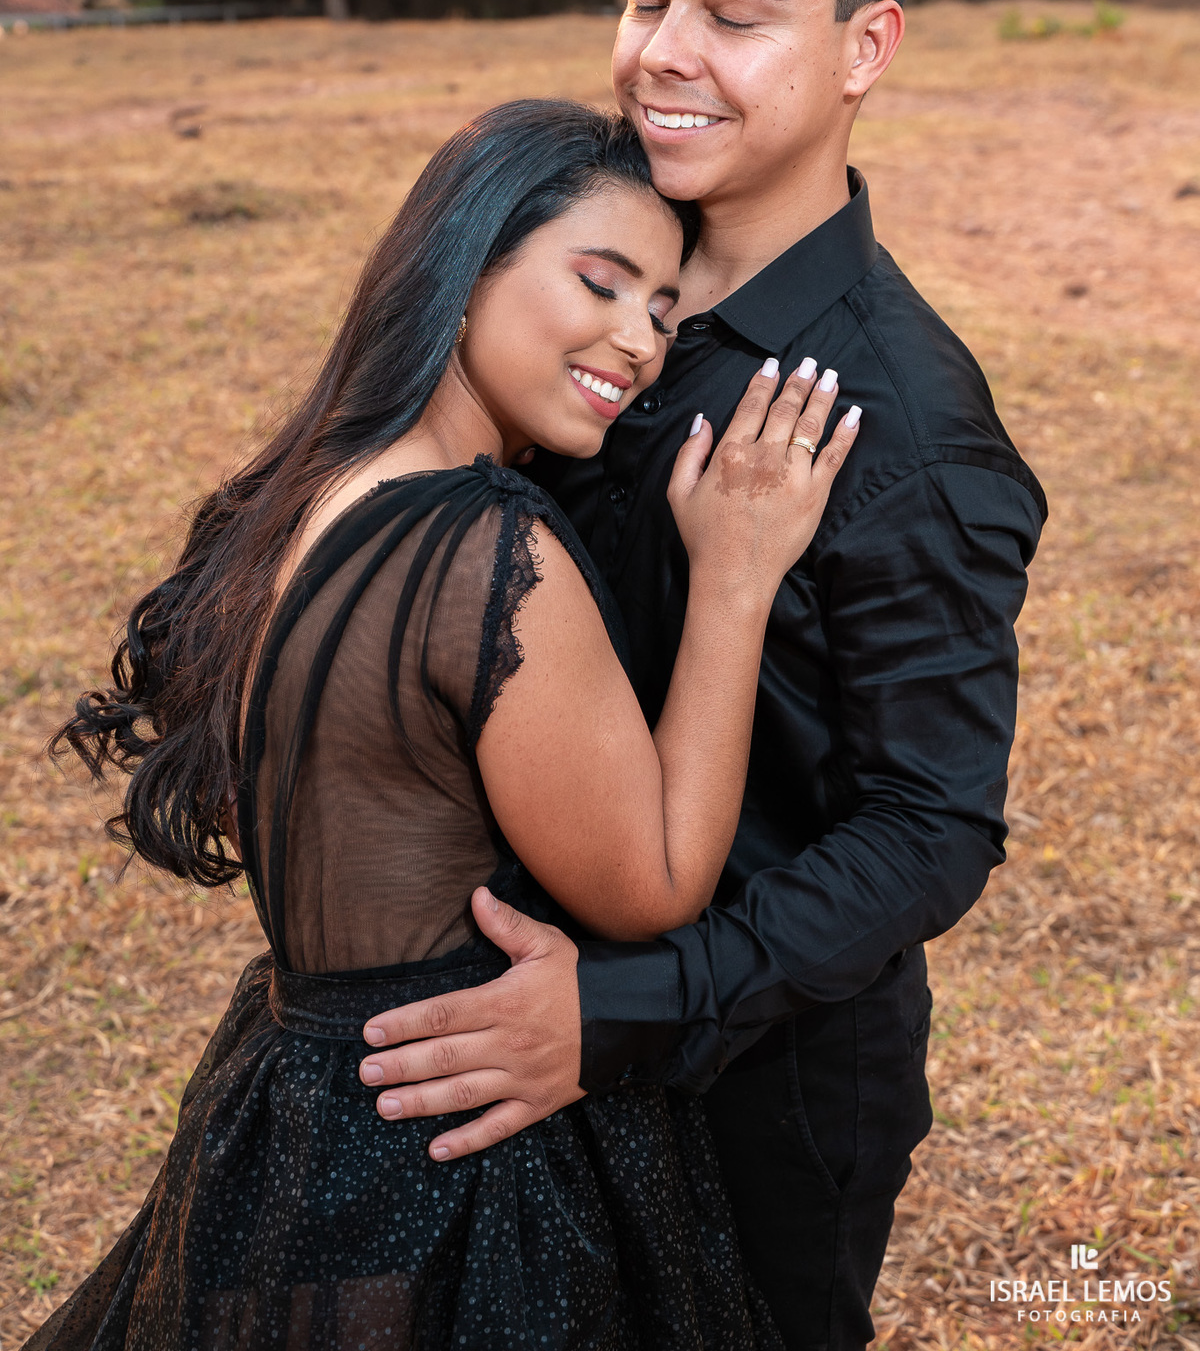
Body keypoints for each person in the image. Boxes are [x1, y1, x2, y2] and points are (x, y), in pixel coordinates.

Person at [354, 0, 1048, 1351]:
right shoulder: (584, 267)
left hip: (753, 1095)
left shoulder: (905, 423)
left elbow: (931, 826)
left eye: (733, 14)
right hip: (496, 1017)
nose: (663, 50)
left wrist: (609, 1015)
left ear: (865, 47)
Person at [29, 99, 862, 1351]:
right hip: (458, 1142)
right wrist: (735, 578)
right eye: (602, 280)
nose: (638, 339)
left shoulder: (310, 491)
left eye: (664, 310)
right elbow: (655, 884)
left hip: (292, 1102)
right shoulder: (482, 546)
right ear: (466, 263)